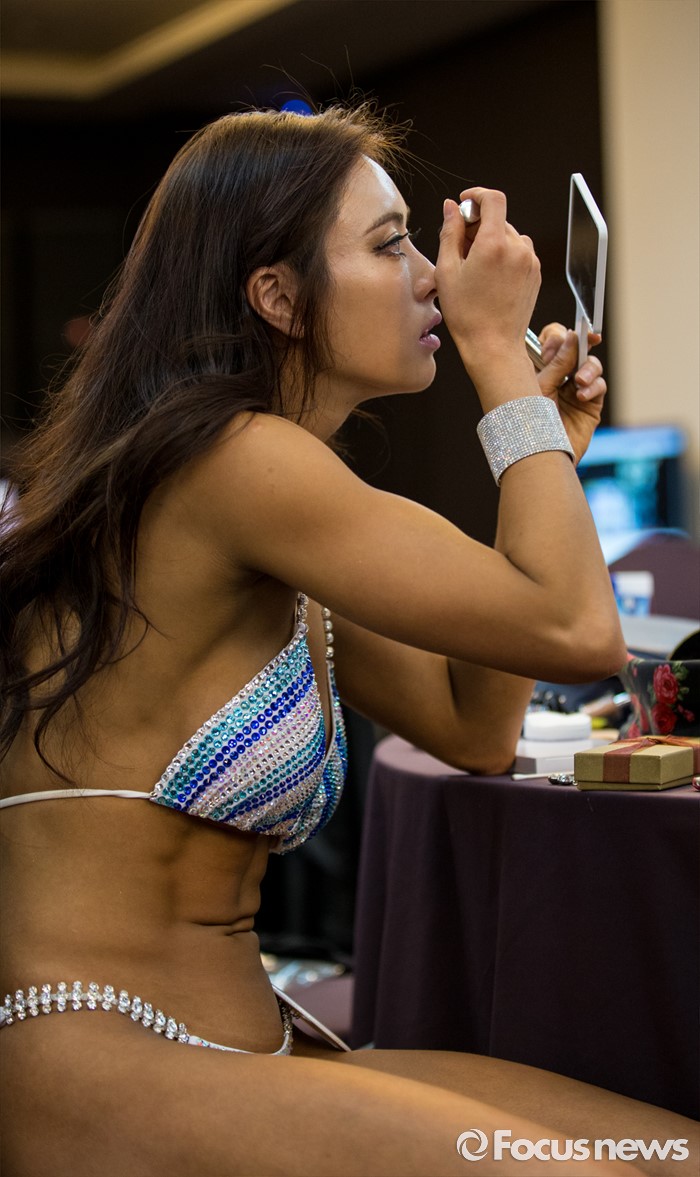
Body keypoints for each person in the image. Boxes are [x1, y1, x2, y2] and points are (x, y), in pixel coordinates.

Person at [1, 104, 693, 1177]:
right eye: (391, 245)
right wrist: (498, 360)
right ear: (277, 297)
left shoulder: (283, 496)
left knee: (669, 1150)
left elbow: (472, 726)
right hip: (104, 1059)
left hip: (243, 1048)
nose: (432, 277)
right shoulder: (232, 461)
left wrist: (543, 434)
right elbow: (576, 630)